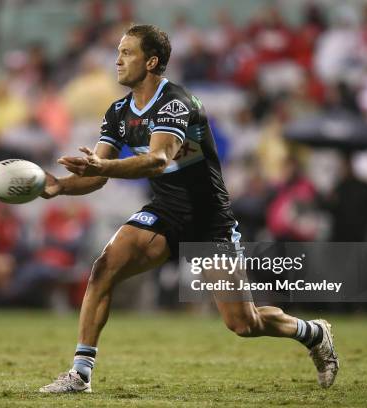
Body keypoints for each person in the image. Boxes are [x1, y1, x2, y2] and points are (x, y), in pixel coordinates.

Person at [39, 24, 338, 393]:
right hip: (165, 213)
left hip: (209, 220)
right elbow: (97, 175)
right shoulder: (117, 112)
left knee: (244, 324)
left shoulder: (176, 102)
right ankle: (80, 373)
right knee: (103, 268)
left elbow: (157, 160)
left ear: (151, 61)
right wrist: (58, 187)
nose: (117, 60)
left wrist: (103, 167)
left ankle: (314, 332)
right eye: (117, 51)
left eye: (127, 52)